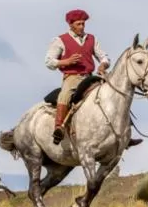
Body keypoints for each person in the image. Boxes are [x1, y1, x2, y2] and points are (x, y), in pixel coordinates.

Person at [44, 9, 142, 147]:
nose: (82, 27)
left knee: (115, 94)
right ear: (71, 25)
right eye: (78, 24)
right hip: (72, 77)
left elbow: (104, 56)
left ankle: (126, 134)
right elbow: (49, 61)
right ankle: (59, 127)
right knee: (64, 95)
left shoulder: (91, 39)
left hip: (90, 77)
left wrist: (103, 64)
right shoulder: (60, 40)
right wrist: (66, 61)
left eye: (83, 24)